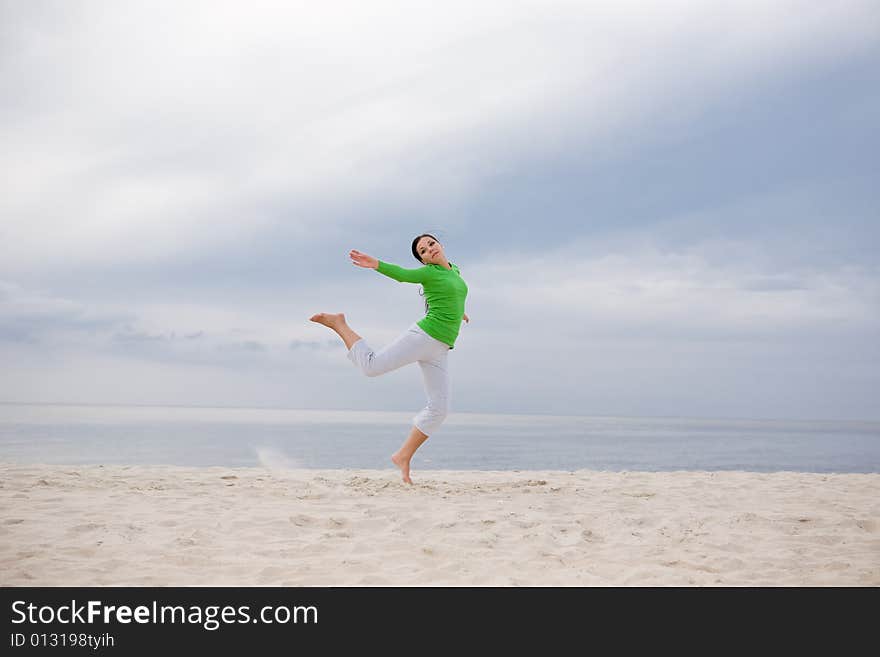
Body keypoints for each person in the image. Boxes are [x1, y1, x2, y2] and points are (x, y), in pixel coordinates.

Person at [310, 234, 469, 484]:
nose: (429, 249)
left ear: (440, 244)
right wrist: (376, 264)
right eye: (423, 251)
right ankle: (339, 324)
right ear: (424, 261)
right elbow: (403, 274)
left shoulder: (455, 271)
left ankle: (403, 455)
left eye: (431, 244)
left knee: (439, 409)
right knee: (372, 367)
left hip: (440, 348)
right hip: (424, 337)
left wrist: (460, 313)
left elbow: (452, 294)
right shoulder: (429, 273)